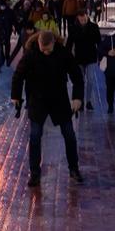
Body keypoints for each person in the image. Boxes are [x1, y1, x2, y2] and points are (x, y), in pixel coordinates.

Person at [11, 31, 85, 187]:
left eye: (48, 49)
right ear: (38, 43)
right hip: (37, 100)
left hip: (59, 99)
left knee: (69, 134)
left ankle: (74, 169)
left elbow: (77, 75)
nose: (45, 52)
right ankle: (35, 174)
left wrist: (77, 97)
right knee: (35, 136)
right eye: (43, 49)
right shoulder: (31, 54)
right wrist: (16, 96)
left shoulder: (62, 53)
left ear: (53, 44)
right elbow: (18, 75)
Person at [66, 9, 102, 110]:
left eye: (84, 18)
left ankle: (88, 101)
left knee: (90, 80)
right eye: (81, 19)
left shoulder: (94, 27)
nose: (83, 20)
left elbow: (99, 42)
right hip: (78, 58)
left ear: (87, 16)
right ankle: (80, 101)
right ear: (78, 18)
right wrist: (66, 56)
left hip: (91, 58)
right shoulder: (74, 28)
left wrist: (102, 56)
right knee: (80, 81)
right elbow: (69, 43)